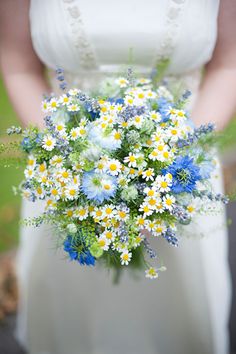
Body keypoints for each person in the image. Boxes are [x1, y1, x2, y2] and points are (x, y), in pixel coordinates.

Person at [0, 1, 236, 353]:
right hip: (66, 182)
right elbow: (18, 63)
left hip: (180, 183)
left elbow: (229, 64)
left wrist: (172, 169)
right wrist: (69, 164)